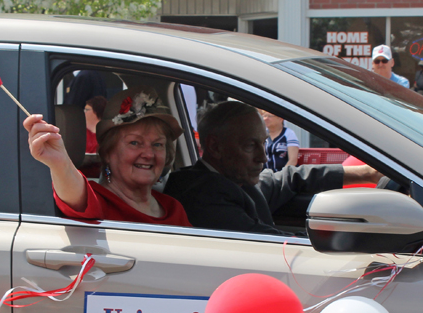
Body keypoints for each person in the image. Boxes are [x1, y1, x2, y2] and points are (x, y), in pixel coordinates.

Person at [164, 101, 382, 236]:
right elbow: (267, 240)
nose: (263, 156)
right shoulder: (202, 194)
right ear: (214, 146)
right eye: (250, 145)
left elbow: (290, 178)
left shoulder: (233, 179)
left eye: (263, 143)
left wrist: (366, 173)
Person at [24, 87, 191, 226]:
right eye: (134, 143)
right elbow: (74, 195)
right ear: (108, 152)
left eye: (157, 144)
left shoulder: (173, 208)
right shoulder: (97, 200)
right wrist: (60, 162)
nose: (148, 154)